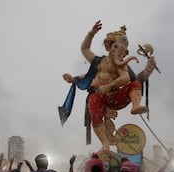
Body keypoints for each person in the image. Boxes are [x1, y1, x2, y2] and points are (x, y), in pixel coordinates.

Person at [61, 20, 157, 153]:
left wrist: (148, 69)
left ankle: (135, 106)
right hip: (97, 96)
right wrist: (91, 34)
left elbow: (130, 79)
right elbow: (85, 49)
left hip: (113, 97)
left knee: (135, 84)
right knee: (94, 104)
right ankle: (105, 144)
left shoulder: (122, 65)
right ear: (109, 47)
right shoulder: (98, 61)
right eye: (116, 47)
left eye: (123, 50)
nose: (120, 52)